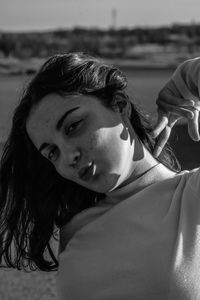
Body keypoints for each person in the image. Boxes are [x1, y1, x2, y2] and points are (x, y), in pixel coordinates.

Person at [0, 53, 200, 300]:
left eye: (73, 126)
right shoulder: (75, 232)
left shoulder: (192, 195)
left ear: (120, 105)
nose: (68, 156)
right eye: (52, 152)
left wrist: (187, 76)